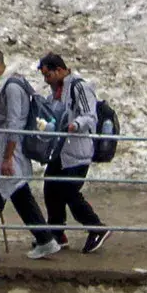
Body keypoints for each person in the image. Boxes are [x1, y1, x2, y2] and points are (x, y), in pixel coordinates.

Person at [0, 50, 62, 262]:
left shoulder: (12, 88)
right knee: (20, 196)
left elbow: (15, 124)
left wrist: (7, 158)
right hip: (10, 151)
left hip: (11, 153)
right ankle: (45, 240)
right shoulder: (12, 84)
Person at [38, 52, 111, 253]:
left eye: (48, 75)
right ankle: (56, 233)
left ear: (60, 70)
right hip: (61, 151)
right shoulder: (56, 92)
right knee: (51, 187)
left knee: (69, 191)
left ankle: (96, 228)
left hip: (78, 151)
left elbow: (90, 116)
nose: (46, 80)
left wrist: (75, 124)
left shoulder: (79, 87)